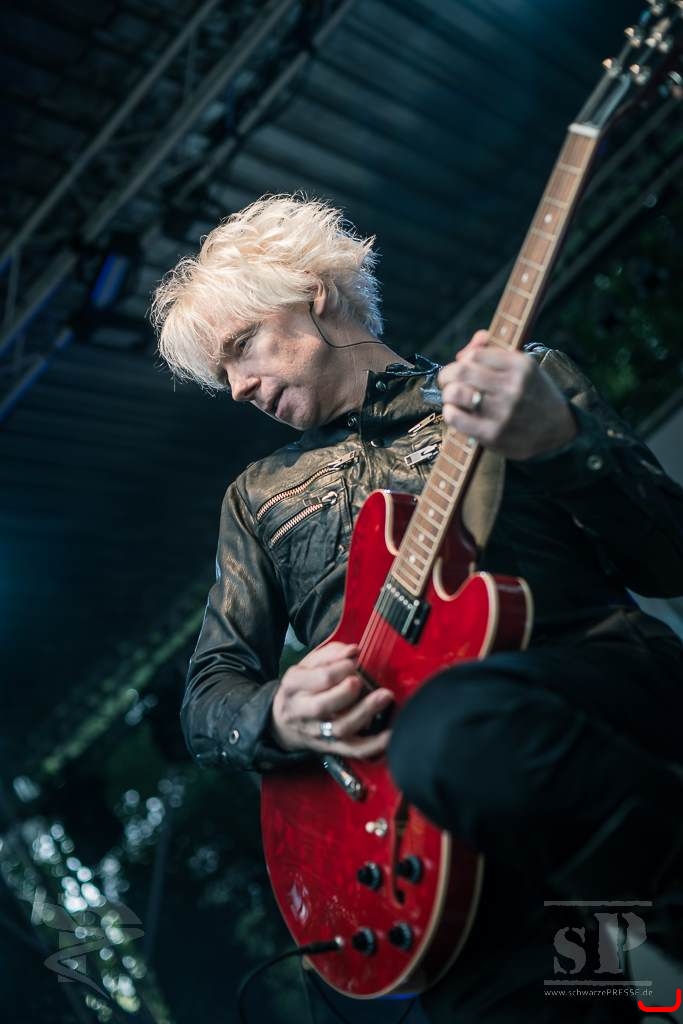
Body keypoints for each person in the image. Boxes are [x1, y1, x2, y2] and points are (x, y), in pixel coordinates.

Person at [152, 194, 683, 1023]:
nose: (237, 387)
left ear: (313, 293)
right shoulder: (257, 498)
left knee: (455, 724)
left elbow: (667, 557)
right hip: (432, 862)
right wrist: (277, 712)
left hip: (590, 727)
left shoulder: (522, 379)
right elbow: (207, 699)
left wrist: (561, 442)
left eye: (241, 347)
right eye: (220, 374)